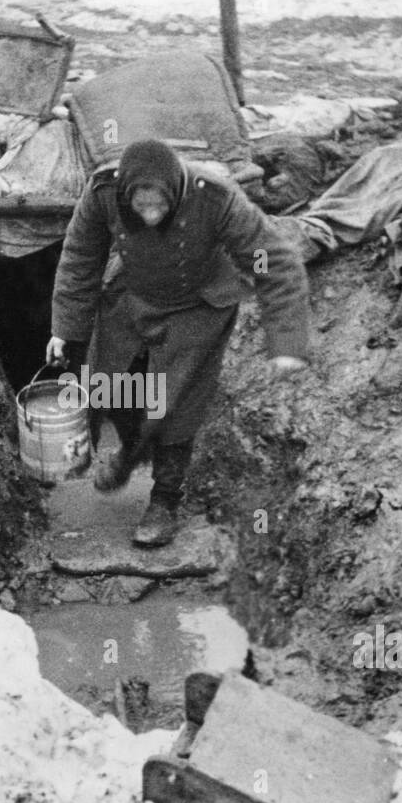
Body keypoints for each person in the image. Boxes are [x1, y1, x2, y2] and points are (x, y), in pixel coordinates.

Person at [46, 138, 311, 547]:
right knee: (113, 385)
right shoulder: (102, 192)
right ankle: (131, 452)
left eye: (160, 207)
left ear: (176, 193)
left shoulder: (216, 198)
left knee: (174, 405)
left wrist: (287, 344)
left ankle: (164, 500)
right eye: (141, 208)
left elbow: (274, 261)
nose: (150, 217)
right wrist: (64, 330)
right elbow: (80, 257)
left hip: (197, 304)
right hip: (133, 293)